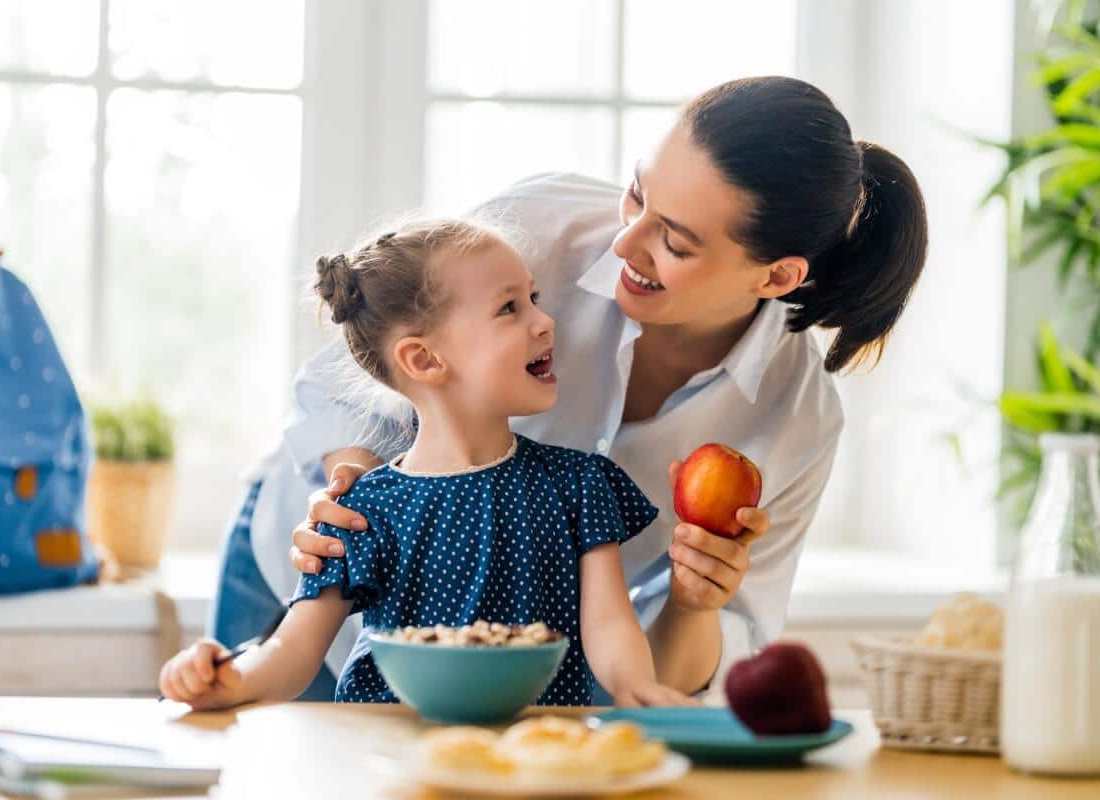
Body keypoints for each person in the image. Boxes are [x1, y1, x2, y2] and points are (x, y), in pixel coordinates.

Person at [233, 75, 928, 700]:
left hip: (495, 684)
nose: (625, 243)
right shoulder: (533, 233)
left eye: (675, 244)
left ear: (775, 278)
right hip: (300, 582)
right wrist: (350, 491)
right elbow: (349, 366)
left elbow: (687, 664)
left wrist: (694, 603)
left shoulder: (794, 422)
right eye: (636, 192)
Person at [162, 220, 696, 709]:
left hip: (532, 756)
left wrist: (637, 687)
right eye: (511, 307)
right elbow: (291, 653)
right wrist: (224, 678)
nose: (544, 321)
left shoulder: (580, 484)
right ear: (423, 359)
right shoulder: (360, 510)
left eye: (533, 297)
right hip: (387, 757)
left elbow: (607, 621)